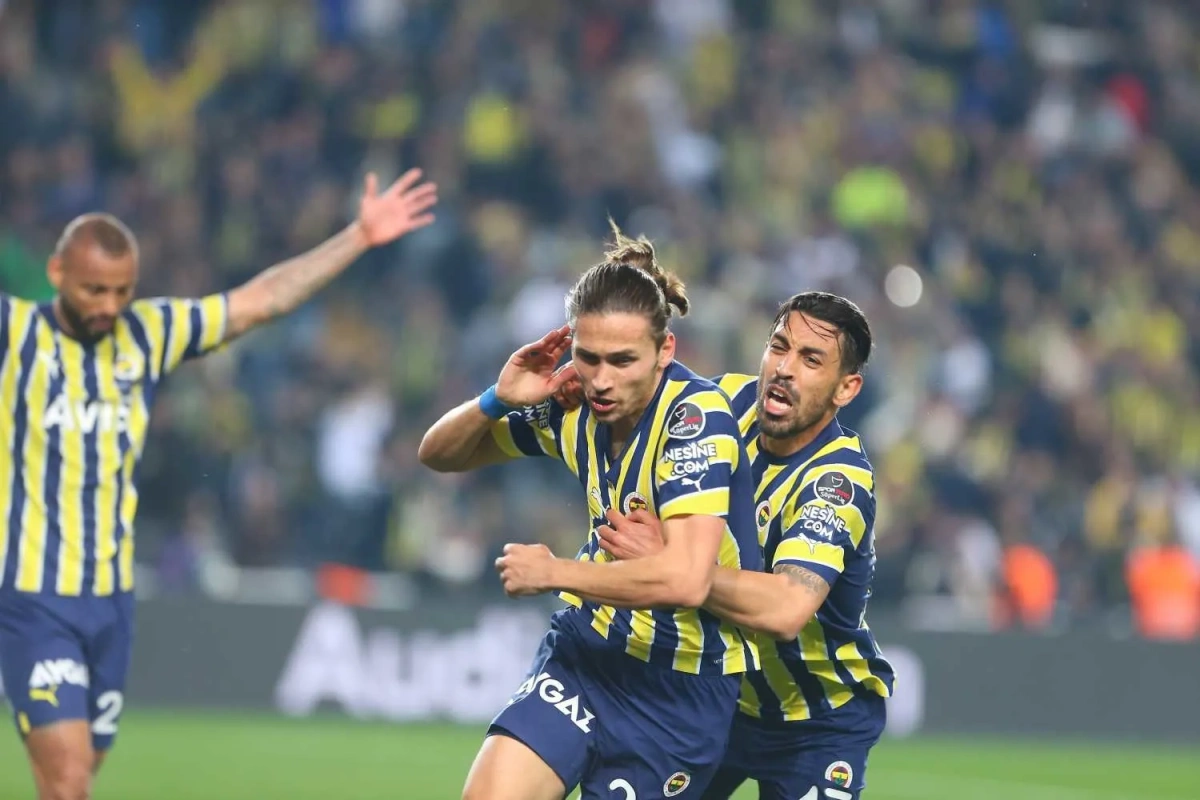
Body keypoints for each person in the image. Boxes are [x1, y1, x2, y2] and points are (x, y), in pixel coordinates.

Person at [0, 169, 438, 800]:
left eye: (121, 291)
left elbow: (262, 300)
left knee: (75, 776)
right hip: (33, 596)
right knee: (68, 780)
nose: (108, 307)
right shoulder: (16, 335)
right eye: (94, 289)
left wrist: (358, 236)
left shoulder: (146, 333)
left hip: (111, 602)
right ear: (56, 272)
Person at [418, 226, 762, 800]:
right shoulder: (572, 406)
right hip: (586, 654)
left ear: (665, 352)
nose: (601, 380)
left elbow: (686, 579)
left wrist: (555, 572)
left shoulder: (695, 420)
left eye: (623, 361)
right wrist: (497, 399)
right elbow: (439, 454)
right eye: (588, 357)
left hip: (678, 689)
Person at [580, 291, 895, 800]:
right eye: (779, 347)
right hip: (715, 694)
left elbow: (787, 609)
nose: (784, 368)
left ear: (846, 388)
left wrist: (672, 563)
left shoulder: (836, 482)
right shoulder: (723, 405)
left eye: (811, 360)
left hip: (817, 720)